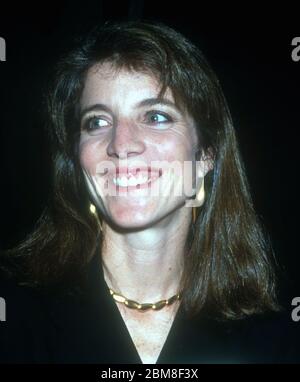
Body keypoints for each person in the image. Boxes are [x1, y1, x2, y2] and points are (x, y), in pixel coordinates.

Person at [0, 21, 298, 364]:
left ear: (206, 155)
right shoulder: (17, 315)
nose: (121, 145)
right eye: (97, 122)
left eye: (156, 116)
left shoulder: (274, 333)